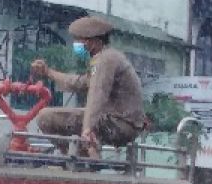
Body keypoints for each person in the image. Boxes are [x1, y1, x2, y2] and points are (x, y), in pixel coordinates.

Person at [29, 16, 146, 155]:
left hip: (119, 124)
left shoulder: (105, 60)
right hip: (121, 122)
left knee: (45, 117)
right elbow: (79, 82)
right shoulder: (107, 57)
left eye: (78, 40)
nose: (76, 44)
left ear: (92, 42)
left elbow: (97, 95)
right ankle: (82, 158)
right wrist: (48, 72)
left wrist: (87, 129)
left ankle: (78, 159)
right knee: (63, 117)